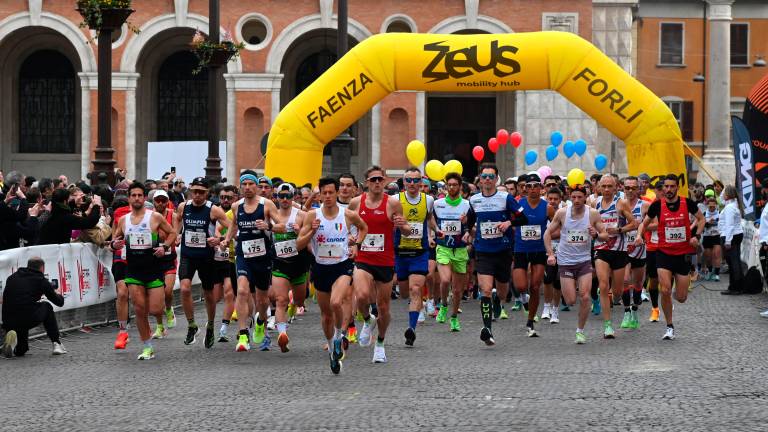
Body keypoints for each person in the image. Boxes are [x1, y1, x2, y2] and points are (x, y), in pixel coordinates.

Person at [297, 177, 367, 374]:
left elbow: (364, 227)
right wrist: (311, 232)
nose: (327, 197)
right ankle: (331, 350)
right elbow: (299, 245)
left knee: (337, 302)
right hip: (320, 267)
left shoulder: (348, 214)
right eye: (323, 193)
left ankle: (339, 336)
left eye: (330, 193)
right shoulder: (312, 216)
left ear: (337, 193)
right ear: (319, 195)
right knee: (326, 314)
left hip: (342, 265)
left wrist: (356, 243)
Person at [349, 165, 410, 363]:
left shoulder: (393, 203)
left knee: (384, 307)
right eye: (373, 179)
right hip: (364, 258)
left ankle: (381, 344)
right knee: (362, 295)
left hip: (385, 260)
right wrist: (351, 240)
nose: (377, 183)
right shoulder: (356, 203)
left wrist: (403, 226)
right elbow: (346, 225)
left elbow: (407, 229)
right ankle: (367, 320)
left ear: (384, 181)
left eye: (380, 179)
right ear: (366, 183)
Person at [111, 182, 177, 360]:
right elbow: (115, 239)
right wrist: (113, 244)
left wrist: (164, 246)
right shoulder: (124, 220)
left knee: (155, 309)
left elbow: (172, 233)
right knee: (139, 309)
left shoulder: (154, 217)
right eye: (134, 195)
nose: (137, 198)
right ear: (129, 198)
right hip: (133, 270)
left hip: (154, 268)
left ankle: (158, 322)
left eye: (140, 195)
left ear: (144, 197)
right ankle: (147, 346)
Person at [466, 163, 528, 346]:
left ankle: (497, 301)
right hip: (484, 251)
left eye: (491, 177)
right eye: (484, 176)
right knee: (485, 289)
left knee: (501, 292)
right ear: (479, 179)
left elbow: (523, 218)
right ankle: (487, 330)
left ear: (496, 179)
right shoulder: (474, 200)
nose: (487, 180)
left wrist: (509, 222)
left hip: (503, 250)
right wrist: (467, 231)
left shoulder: (506, 198)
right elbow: (469, 221)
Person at [638, 174, 705, 340]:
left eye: (671, 186)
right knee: (665, 290)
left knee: (681, 298)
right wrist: (640, 235)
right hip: (664, 253)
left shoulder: (687, 203)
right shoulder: (657, 206)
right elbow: (644, 224)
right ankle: (669, 326)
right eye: (666, 187)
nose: (668, 190)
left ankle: (676, 294)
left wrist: (696, 236)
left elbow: (701, 219)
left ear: (677, 187)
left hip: (682, 254)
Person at [222, 171, 279, 352]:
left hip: (263, 257)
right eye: (244, 184)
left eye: (250, 184)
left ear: (256, 186)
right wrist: (226, 240)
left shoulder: (266, 204)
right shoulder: (236, 206)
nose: (247, 188)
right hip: (243, 255)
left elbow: (282, 225)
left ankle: (261, 322)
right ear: (240, 187)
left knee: (262, 300)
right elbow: (233, 226)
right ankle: (243, 334)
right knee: (243, 291)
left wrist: (268, 226)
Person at [544, 185, 609, 344]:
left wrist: (597, 235)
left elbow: (605, 235)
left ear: (585, 197)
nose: (577, 200)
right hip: (565, 262)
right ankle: (572, 299)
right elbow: (547, 233)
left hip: (584, 261)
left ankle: (580, 331)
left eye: (580, 197)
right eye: (573, 197)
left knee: (585, 297)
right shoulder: (562, 213)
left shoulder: (592, 213)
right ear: (570, 197)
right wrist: (551, 255)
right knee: (571, 300)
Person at [175, 177, 231, 348]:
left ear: (207, 193)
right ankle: (192, 326)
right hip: (188, 255)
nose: (197, 195)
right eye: (194, 191)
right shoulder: (184, 206)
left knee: (208, 294)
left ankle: (211, 325)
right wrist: (176, 233)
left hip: (207, 257)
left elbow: (231, 228)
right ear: (191, 191)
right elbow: (177, 219)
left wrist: (219, 238)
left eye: (201, 192)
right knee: (184, 288)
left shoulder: (213, 210)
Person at [592, 175, 637, 339]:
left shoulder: (621, 203)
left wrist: (618, 230)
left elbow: (634, 224)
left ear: (616, 187)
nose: (606, 189)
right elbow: (588, 222)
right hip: (601, 248)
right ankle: (608, 325)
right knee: (604, 285)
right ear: (598, 188)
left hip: (619, 250)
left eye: (609, 186)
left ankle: (613, 295)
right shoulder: (593, 204)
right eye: (603, 186)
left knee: (617, 292)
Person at [395, 167, 435, 347]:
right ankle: (414, 307)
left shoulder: (429, 200)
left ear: (421, 183)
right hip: (399, 252)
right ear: (404, 183)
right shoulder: (395, 200)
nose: (412, 184)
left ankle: (411, 329)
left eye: (415, 180)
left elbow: (429, 218)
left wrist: (436, 230)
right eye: (408, 180)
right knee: (404, 293)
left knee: (416, 289)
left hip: (420, 252)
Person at [513, 173, 555, 337]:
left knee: (536, 286)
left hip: (538, 250)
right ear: (524, 189)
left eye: (535, 186)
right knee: (521, 286)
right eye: (528, 186)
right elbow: (510, 222)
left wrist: (551, 236)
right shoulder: (518, 204)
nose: (531, 189)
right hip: (520, 249)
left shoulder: (547, 207)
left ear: (541, 188)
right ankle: (525, 301)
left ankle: (530, 321)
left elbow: (557, 224)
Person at [270, 183, 310, 352]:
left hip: (299, 263)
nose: (285, 199)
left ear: (294, 197)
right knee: (280, 300)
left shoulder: (301, 215)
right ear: (277, 198)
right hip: (279, 263)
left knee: (300, 300)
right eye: (281, 196)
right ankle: (282, 334)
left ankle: (295, 304)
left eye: (288, 196)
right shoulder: (272, 215)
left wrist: (299, 230)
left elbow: (308, 238)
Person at [2, 257, 66, 357]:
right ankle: (56, 343)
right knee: (47, 306)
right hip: (26, 318)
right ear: (42, 268)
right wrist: (58, 293)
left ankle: (12, 344)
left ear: (28, 266)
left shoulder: (12, 277)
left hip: (8, 321)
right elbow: (59, 302)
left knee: (21, 351)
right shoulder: (41, 280)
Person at [433, 173, 470, 332]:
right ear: (446, 186)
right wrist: (433, 232)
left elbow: (473, 226)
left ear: (460, 187)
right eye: (450, 184)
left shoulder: (468, 205)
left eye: (455, 184)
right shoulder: (437, 204)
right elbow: (430, 220)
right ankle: (443, 305)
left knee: (457, 290)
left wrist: (468, 227)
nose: (452, 187)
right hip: (443, 248)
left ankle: (454, 317)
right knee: (446, 280)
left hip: (460, 249)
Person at [147, 189, 178, 339]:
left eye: (163, 200)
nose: (160, 203)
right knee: (156, 298)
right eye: (157, 200)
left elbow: (175, 232)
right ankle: (160, 327)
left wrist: (172, 240)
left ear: (167, 202)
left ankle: (169, 308)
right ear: (153, 201)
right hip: (153, 260)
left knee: (168, 292)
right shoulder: (148, 216)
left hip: (169, 257)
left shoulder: (174, 215)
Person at [621, 176, 649, 330]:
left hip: (639, 249)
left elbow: (656, 223)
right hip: (623, 249)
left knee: (638, 282)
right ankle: (626, 311)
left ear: (638, 189)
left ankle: (635, 310)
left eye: (633, 188)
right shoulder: (618, 205)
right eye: (627, 188)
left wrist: (642, 229)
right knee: (625, 280)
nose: (630, 191)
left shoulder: (644, 206)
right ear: (622, 188)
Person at [541, 187, 564, 323]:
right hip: (547, 251)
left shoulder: (564, 212)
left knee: (558, 282)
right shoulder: (544, 213)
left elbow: (565, 231)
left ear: (560, 200)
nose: (553, 201)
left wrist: (548, 235)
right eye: (550, 199)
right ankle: (546, 307)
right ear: (546, 199)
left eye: (556, 199)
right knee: (548, 279)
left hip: (563, 252)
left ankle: (555, 310)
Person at [719, 185, 744, 295]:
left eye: (724, 193)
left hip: (731, 236)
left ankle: (736, 287)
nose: (722, 195)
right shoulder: (732, 205)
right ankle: (735, 286)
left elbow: (730, 225)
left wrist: (728, 241)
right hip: (735, 235)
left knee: (733, 262)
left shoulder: (729, 207)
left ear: (728, 195)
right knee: (735, 261)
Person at [701, 194, 722, 282]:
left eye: (713, 206)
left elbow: (723, 224)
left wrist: (716, 222)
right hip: (707, 237)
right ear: (707, 205)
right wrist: (707, 223)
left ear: (716, 205)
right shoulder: (704, 214)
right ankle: (710, 271)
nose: (712, 208)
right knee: (708, 257)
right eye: (710, 206)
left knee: (716, 254)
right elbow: (700, 225)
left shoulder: (720, 213)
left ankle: (717, 274)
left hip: (717, 236)